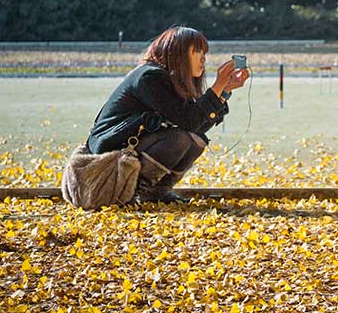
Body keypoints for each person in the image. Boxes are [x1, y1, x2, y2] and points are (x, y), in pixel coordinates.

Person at [85, 26, 249, 203]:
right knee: (179, 138)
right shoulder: (150, 77)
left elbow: (196, 126)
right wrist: (217, 87)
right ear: (177, 52)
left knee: (196, 140)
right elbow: (188, 122)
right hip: (107, 157)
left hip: (127, 148)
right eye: (197, 51)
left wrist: (223, 91)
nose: (203, 58)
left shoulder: (170, 78)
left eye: (204, 52)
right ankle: (129, 193)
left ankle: (158, 192)